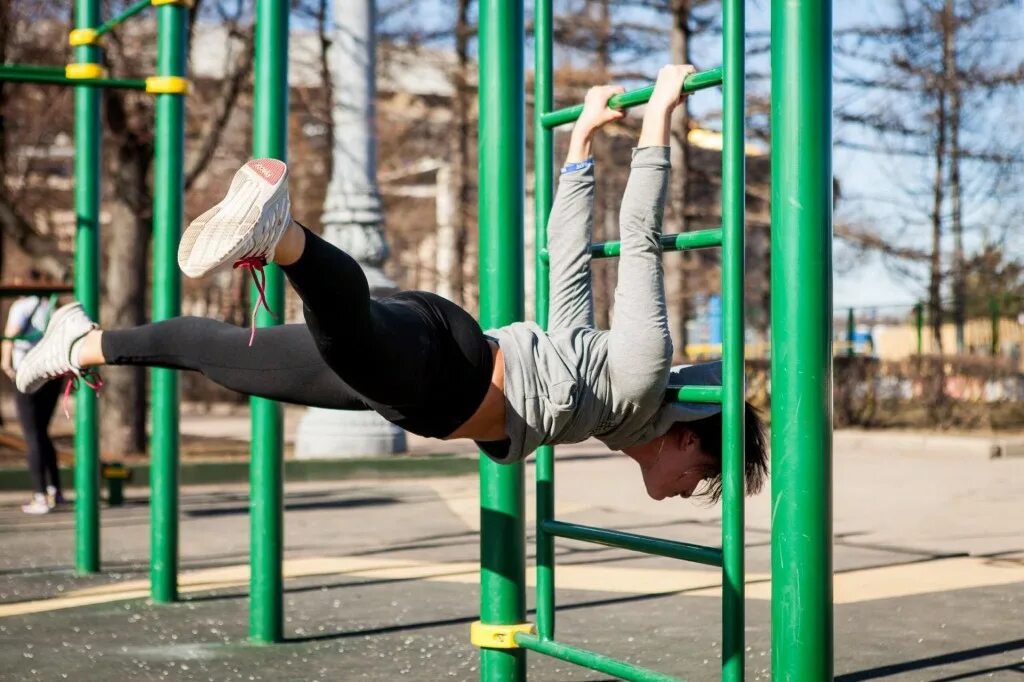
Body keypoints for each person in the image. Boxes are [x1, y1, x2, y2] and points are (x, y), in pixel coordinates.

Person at [17, 64, 768, 502]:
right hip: (449, 377)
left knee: (228, 355)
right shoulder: (637, 381)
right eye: (707, 474)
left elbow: (567, 262)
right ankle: (283, 236)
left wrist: (579, 146)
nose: (697, 488)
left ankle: (80, 340)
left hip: (437, 359)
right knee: (349, 332)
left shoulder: (613, 402)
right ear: (685, 438)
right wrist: (658, 116)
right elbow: (638, 244)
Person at [2, 271, 65, 514]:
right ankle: (54, 490)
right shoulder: (53, 305)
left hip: (28, 371)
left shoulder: (22, 306)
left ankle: (40, 494)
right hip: (52, 373)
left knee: (31, 434)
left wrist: (6, 362)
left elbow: (12, 334)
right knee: (42, 432)